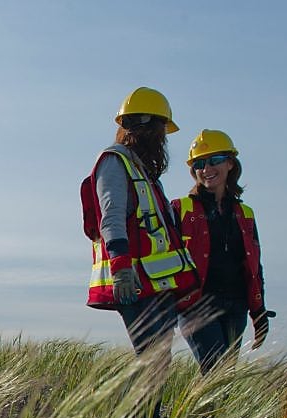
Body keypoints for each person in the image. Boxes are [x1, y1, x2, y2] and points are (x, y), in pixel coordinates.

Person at [82, 87, 199, 364]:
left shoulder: (144, 172)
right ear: (149, 127)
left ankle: (150, 410)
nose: (163, 140)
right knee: (152, 360)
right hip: (133, 282)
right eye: (162, 131)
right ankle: (138, 410)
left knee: (158, 361)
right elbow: (111, 216)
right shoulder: (115, 162)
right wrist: (121, 267)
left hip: (156, 284)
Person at [171, 129, 270, 374]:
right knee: (215, 369)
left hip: (236, 306)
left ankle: (200, 414)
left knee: (223, 378)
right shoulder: (179, 209)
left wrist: (259, 313)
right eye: (199, 164)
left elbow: (254, 268)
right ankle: (196, 413)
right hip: (196, 305)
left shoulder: (245, 213)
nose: (206, 169)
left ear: (230, 163)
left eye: (214, 161)